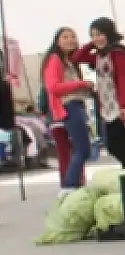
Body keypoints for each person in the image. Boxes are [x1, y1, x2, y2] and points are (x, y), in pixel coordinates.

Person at [73, 17, 125, 170]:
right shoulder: (99, 55)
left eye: (100, 34)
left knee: (120, 147)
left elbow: (123, 79)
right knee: (114, 146)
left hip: (120, 106)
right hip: (107, 108)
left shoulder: (118, 53)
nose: (96, 38)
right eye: (92, 35)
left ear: (109, 33)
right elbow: (77, 57)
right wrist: (93, 43)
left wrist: (124, 105)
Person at [41, 27, 93, 191]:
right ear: (57, 41)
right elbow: (53, 87)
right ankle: (69, 186)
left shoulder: (69, 62)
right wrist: (82, 83)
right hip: (69, 106)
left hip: (75, 105)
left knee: (81, 150)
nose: (70, 40)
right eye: (65, 37)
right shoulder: (55, 59)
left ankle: (73, 185)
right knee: (82, 150)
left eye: (73, 37)